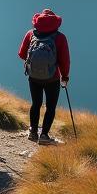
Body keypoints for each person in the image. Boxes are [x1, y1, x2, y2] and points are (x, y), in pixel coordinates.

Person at [17, 8, 71, 143]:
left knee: (36, 104)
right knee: (50, 107)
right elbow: (65, 60)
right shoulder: (60, 37)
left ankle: (33, 132)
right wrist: (64, 77)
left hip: (33, 77)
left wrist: (34, 64)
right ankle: (44, 136)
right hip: (52, 78)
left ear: (38, 20)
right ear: (55, 22)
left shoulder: (30, 34)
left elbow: (22, 54)